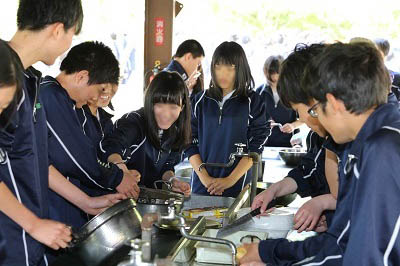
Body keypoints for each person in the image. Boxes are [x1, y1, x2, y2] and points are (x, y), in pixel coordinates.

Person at [239, 42, 400, 266]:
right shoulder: (373, 141)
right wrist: (269, 253)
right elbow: (341, 242)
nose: (312, 119)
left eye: (314, 110)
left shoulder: (382, 149)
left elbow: (366, 258)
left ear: (332, 103)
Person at [0, 1, 83, 265]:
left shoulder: (30, 80)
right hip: (10, 239)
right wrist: (34, 225)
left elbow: (36, 160)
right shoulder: (5, 77)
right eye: (73, 34)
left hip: (30, 238)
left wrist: (89, 203)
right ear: (58, 30)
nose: (70, 43)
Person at [40, 41, 128, 237]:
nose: (94, 98)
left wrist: (88, 202)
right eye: (98, 91)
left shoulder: (70, 103)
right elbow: (77, 158)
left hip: (67, 210)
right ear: (81, 77)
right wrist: (117, 178)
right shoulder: (51, 95)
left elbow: (46, 164)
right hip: (50, 214)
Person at [186, 41, 269, 198]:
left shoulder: (253, 101)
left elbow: (256, 146)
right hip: (201, 185)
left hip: (238, 186)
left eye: (230, 68)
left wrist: (230, 180)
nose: (223, 74)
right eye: (218, 67)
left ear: (240, 69)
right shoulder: (199, 100)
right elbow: (188, 142)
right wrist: (205, 179)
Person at [102, 71, 191, 196]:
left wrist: (172, 180)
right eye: (160, 105)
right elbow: (111, 147)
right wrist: (124, 173)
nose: (166, 114)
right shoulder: (134, 122)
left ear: (182, 107)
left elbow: (165, 167)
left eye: (173, 107)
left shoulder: (174, 132)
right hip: (114, 200)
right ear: (150, 102)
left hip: (145, 203)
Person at [256, 55, 302, 147]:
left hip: (290, 145)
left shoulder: (293, 91)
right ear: (266, 73)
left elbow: (305, 117)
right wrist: (263, 123)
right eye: (271, 76)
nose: (275, 79)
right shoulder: (260, 92)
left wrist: (293, 126)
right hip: (265, 145)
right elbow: (253, 118)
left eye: (278, 75)